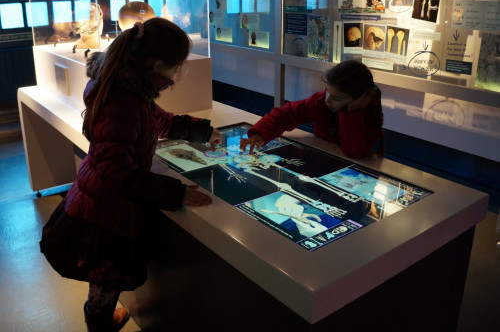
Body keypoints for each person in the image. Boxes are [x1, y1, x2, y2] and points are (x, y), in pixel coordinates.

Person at [40, 17, 221, 332]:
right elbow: (117, 174)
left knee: (104, 280)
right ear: (158, 64)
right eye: (176, 69)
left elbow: (157, 120)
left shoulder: (128, 87)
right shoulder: (122, 99)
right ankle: (100, 324)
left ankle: (102, 318)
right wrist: (174, 193)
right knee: (105, 283)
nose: (176, 76)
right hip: (104, 212)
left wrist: (202, 130)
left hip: (102, 200)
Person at [240, 60, 384, 159]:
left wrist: (352, 112)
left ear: (359, 99)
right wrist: (260, 134)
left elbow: (354, 152)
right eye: (327, 91)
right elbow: (287, 114)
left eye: (337, 98)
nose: (328, 100)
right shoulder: (320, 101)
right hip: (321, 158)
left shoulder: (368, 112)